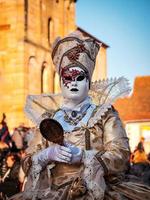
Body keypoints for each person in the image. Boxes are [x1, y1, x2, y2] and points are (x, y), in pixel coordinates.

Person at [10, 31, 139, 200]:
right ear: (61, 81)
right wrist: (45, 155)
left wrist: (84, 156)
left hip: (97, 191)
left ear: (88, 81)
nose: (73, 83)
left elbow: (121, 156)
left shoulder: (105, 115)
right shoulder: (48, 120)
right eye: (68, 77)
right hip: (51, 193)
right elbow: (27, 163)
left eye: (80, 77)